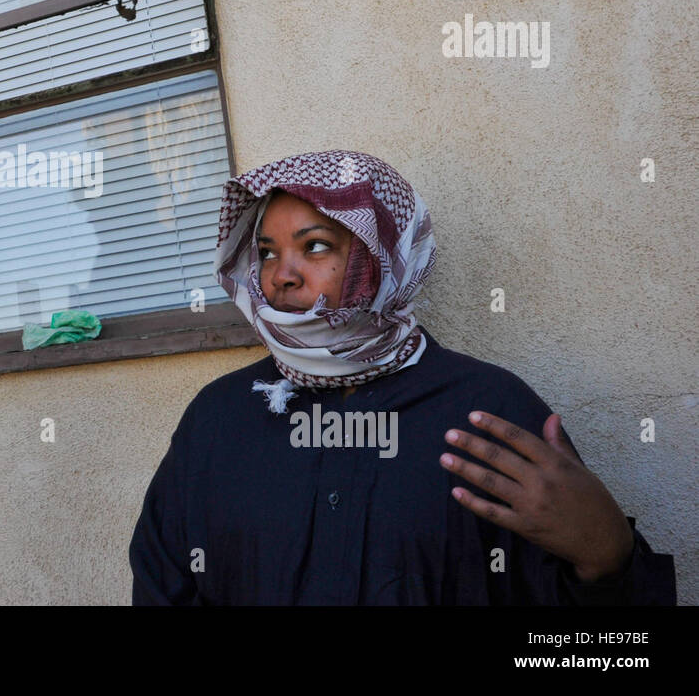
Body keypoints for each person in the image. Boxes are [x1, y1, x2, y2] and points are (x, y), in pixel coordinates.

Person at [128, 149, 676, 605]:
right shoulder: (219, 418)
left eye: (315, 246)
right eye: (267, 252)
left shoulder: (488, 409)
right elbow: (162, 583)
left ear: (382, 259)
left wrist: (608, 558)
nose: (281, 275)